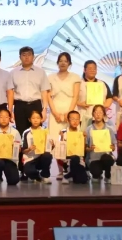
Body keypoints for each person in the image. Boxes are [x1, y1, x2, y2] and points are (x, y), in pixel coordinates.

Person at [11, 46, 50, 179]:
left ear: (33, 57)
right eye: (24, 55)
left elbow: (44, 91)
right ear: (20, 57)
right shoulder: (13, 72)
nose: (26, 57)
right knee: (22, 136)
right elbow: (10, 92)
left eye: (29, 55)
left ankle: (39, 167)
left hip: (35, 104)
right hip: (20, 105)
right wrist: (10, 110)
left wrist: (44, 109)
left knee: (38, 136)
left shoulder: (40, 72)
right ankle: (23, 170)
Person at [48, 52, 80, 180]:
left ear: (69, 63)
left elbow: (76, 96)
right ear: (57, 63)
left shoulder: (75, 77)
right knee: (57, 142)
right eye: (60, 60)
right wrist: (55, 113)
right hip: (55, 112)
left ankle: (71, 170)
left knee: (71, 141)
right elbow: (48, 97)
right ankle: (60, 170)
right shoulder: (50, 77)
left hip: (70, 111)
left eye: (65, 61)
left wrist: (69, 113)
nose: (63, 63)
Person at [0, 108, 21, 186]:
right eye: (1, 117)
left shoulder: (15, 132)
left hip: (10, 159)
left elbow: (19, 148)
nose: (4, 119)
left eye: (6, 117)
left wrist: (16, 149)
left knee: (14, 181)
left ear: (9, 118)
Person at [77, 60, 113, 130]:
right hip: (84, 116)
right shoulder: (79, 83)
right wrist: (80, 104)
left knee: (99, 136)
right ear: (84, 70)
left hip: (100, 118)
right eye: (90, 68)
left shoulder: (102, 83)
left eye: (94, 69)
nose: (92, 70)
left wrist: (103, 106)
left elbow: (109, 98)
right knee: (85, 135)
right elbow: (73, 98)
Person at [85, 105, 116, 183]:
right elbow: (85, 148)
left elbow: (113, 148)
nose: (98, 114)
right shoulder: (89, 129)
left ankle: (108, 176)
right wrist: (90, 148)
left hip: (106, 157)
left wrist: (112, 147)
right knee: (95, 176)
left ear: (104, 114)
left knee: (107, 158)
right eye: (96, 112)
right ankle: (97, 174)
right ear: (93, 114)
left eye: (100, 112)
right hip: (94, 158)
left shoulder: (109, 129)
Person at [21, 110, 54, 184]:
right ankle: (37, 176)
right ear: (29, 119)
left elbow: (48, 148)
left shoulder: (45, 131)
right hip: (30, 159)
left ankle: (45, 175)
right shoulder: (26, 132)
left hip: (41, 157)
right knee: (29, 171)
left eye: (38, 118)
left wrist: (52, 145)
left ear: (41, 119)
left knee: (48, 155)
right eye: (33, 118)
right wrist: (29, 149)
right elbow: (23, 150)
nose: (35, 120)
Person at [60, 111, 88, 185]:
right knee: (75, 158)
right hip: (67, 158)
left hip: (79, 158)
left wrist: (84, 139)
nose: (75, 121)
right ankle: (68, 173)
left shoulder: (81, 133)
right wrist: (62, 138)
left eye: (77, 119)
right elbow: (60, 150)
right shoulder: (63, 132)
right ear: (68, 120)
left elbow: (83, 151)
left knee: (83, 180)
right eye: (72, 119)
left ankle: (68, 175)